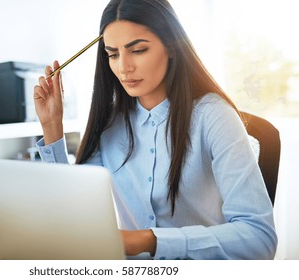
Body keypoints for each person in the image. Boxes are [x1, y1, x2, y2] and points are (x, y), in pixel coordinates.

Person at [33, 0, 277, 260]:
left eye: (137, 50)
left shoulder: (214, 116)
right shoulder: (110, 123)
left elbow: (259, 238)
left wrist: (149, 240)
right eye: (113, 54)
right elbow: (74, 216)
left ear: (171, 46)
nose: (124, 67)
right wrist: (52, 126)